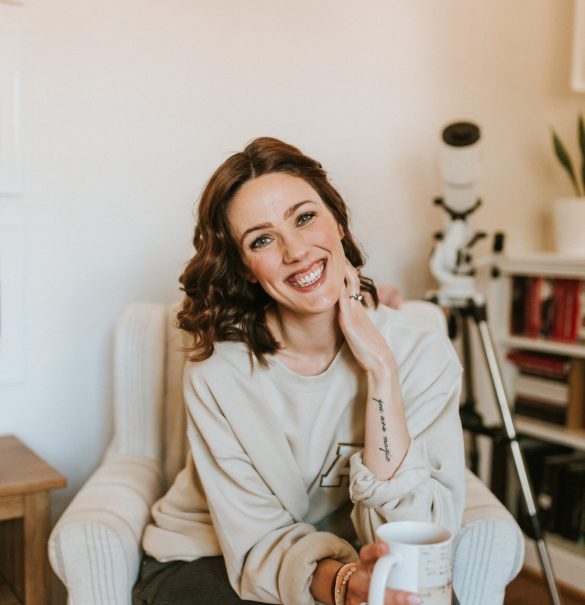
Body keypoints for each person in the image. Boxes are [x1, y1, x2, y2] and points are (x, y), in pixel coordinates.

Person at [133, 137, 465, 605]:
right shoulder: (220, 373)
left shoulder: (418, 352)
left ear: (337, 221)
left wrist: (382, 374)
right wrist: (348, 583)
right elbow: (254, 544)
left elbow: (415, 538)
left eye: (305, 217)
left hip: (359, 557)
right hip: (212, 559)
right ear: (246, 268)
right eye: (262, 239)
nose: (295, 250)